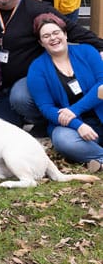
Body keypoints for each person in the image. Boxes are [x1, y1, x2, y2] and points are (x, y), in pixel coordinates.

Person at [0, 0, 103, 127]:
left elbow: (71, 30)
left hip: (30, 80)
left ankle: (45, 122)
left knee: (20, 98)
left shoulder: (38, 9)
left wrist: (100, 46)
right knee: (6, 128)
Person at [27, 14, 103, 173]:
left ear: (65, 34)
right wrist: (77, 123)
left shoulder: (87, 51)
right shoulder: (37, 68)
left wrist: (74, 111)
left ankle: (95, 158)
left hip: (99, 115)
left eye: (56, 33)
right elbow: (46, 107)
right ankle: (99, 156)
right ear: (41, 43)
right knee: (63, 140)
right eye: (46, 36)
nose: (53, 38)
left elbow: (101, 84)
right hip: (73, 128)